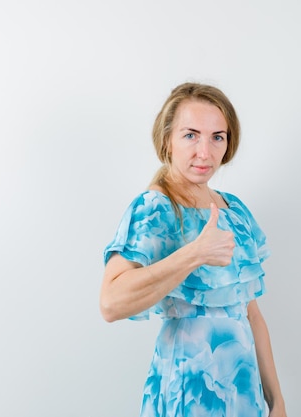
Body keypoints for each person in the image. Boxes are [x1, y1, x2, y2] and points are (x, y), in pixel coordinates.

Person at [100, 82, 287, 417]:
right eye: (191, 135)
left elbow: (252, 315)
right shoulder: (156, 207)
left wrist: (276, 401)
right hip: (190, 390)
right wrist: (195, 253)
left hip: (243, 391)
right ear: (167, 140)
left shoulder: (235, 211)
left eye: (217, 136)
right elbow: (111, 303)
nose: (205, 151)